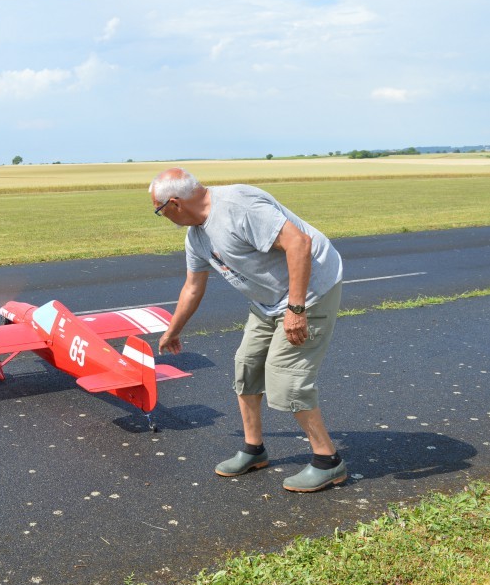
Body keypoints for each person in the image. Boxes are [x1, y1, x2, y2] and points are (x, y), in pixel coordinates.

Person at [149, 167, 347, 492]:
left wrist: (297, 309)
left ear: (174, 203)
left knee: (287, 379)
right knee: (247, 367)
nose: (162, 216)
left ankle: (329, 461)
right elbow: (193, 287)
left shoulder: (238, 206)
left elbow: (299, 243)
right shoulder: (197, 236)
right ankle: (254, 450)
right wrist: (173, 330)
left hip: (310, 291)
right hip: (268, 301)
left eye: (159, 210)